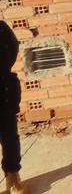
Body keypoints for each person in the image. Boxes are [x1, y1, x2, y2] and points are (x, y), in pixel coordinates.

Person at [0, 22, 27, 194]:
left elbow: (12, 48)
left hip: (4, 93)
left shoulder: (1, 28)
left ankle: (13, 178)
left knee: (9, 139)